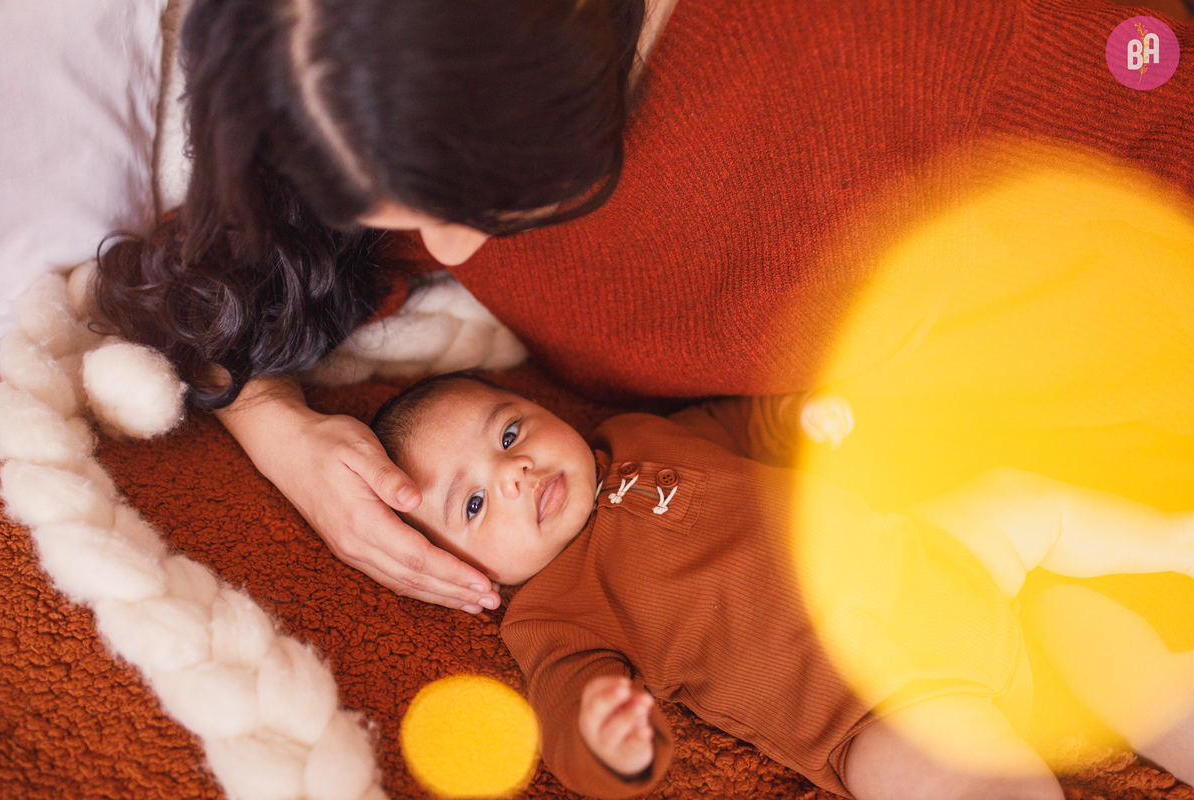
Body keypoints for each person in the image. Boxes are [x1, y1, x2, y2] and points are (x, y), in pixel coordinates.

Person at [91, 0, 1194, 612]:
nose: (443, 251)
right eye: (395, 208)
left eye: (480, 202)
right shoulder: (356, 68)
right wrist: (283, 433)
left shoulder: (973, 44)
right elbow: (221, 289)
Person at [368, 371, 1194, 799]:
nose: (513, 472)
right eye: (473, 502)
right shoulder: (551, 611)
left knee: (1025, 508)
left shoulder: (633, 434)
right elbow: (560, 707)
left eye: (509, 430)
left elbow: (741, 426)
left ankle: (1172, 540)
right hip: (875, 701)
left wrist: (803, 419)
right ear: (462, 569)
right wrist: (604, 738)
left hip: (931, 558)